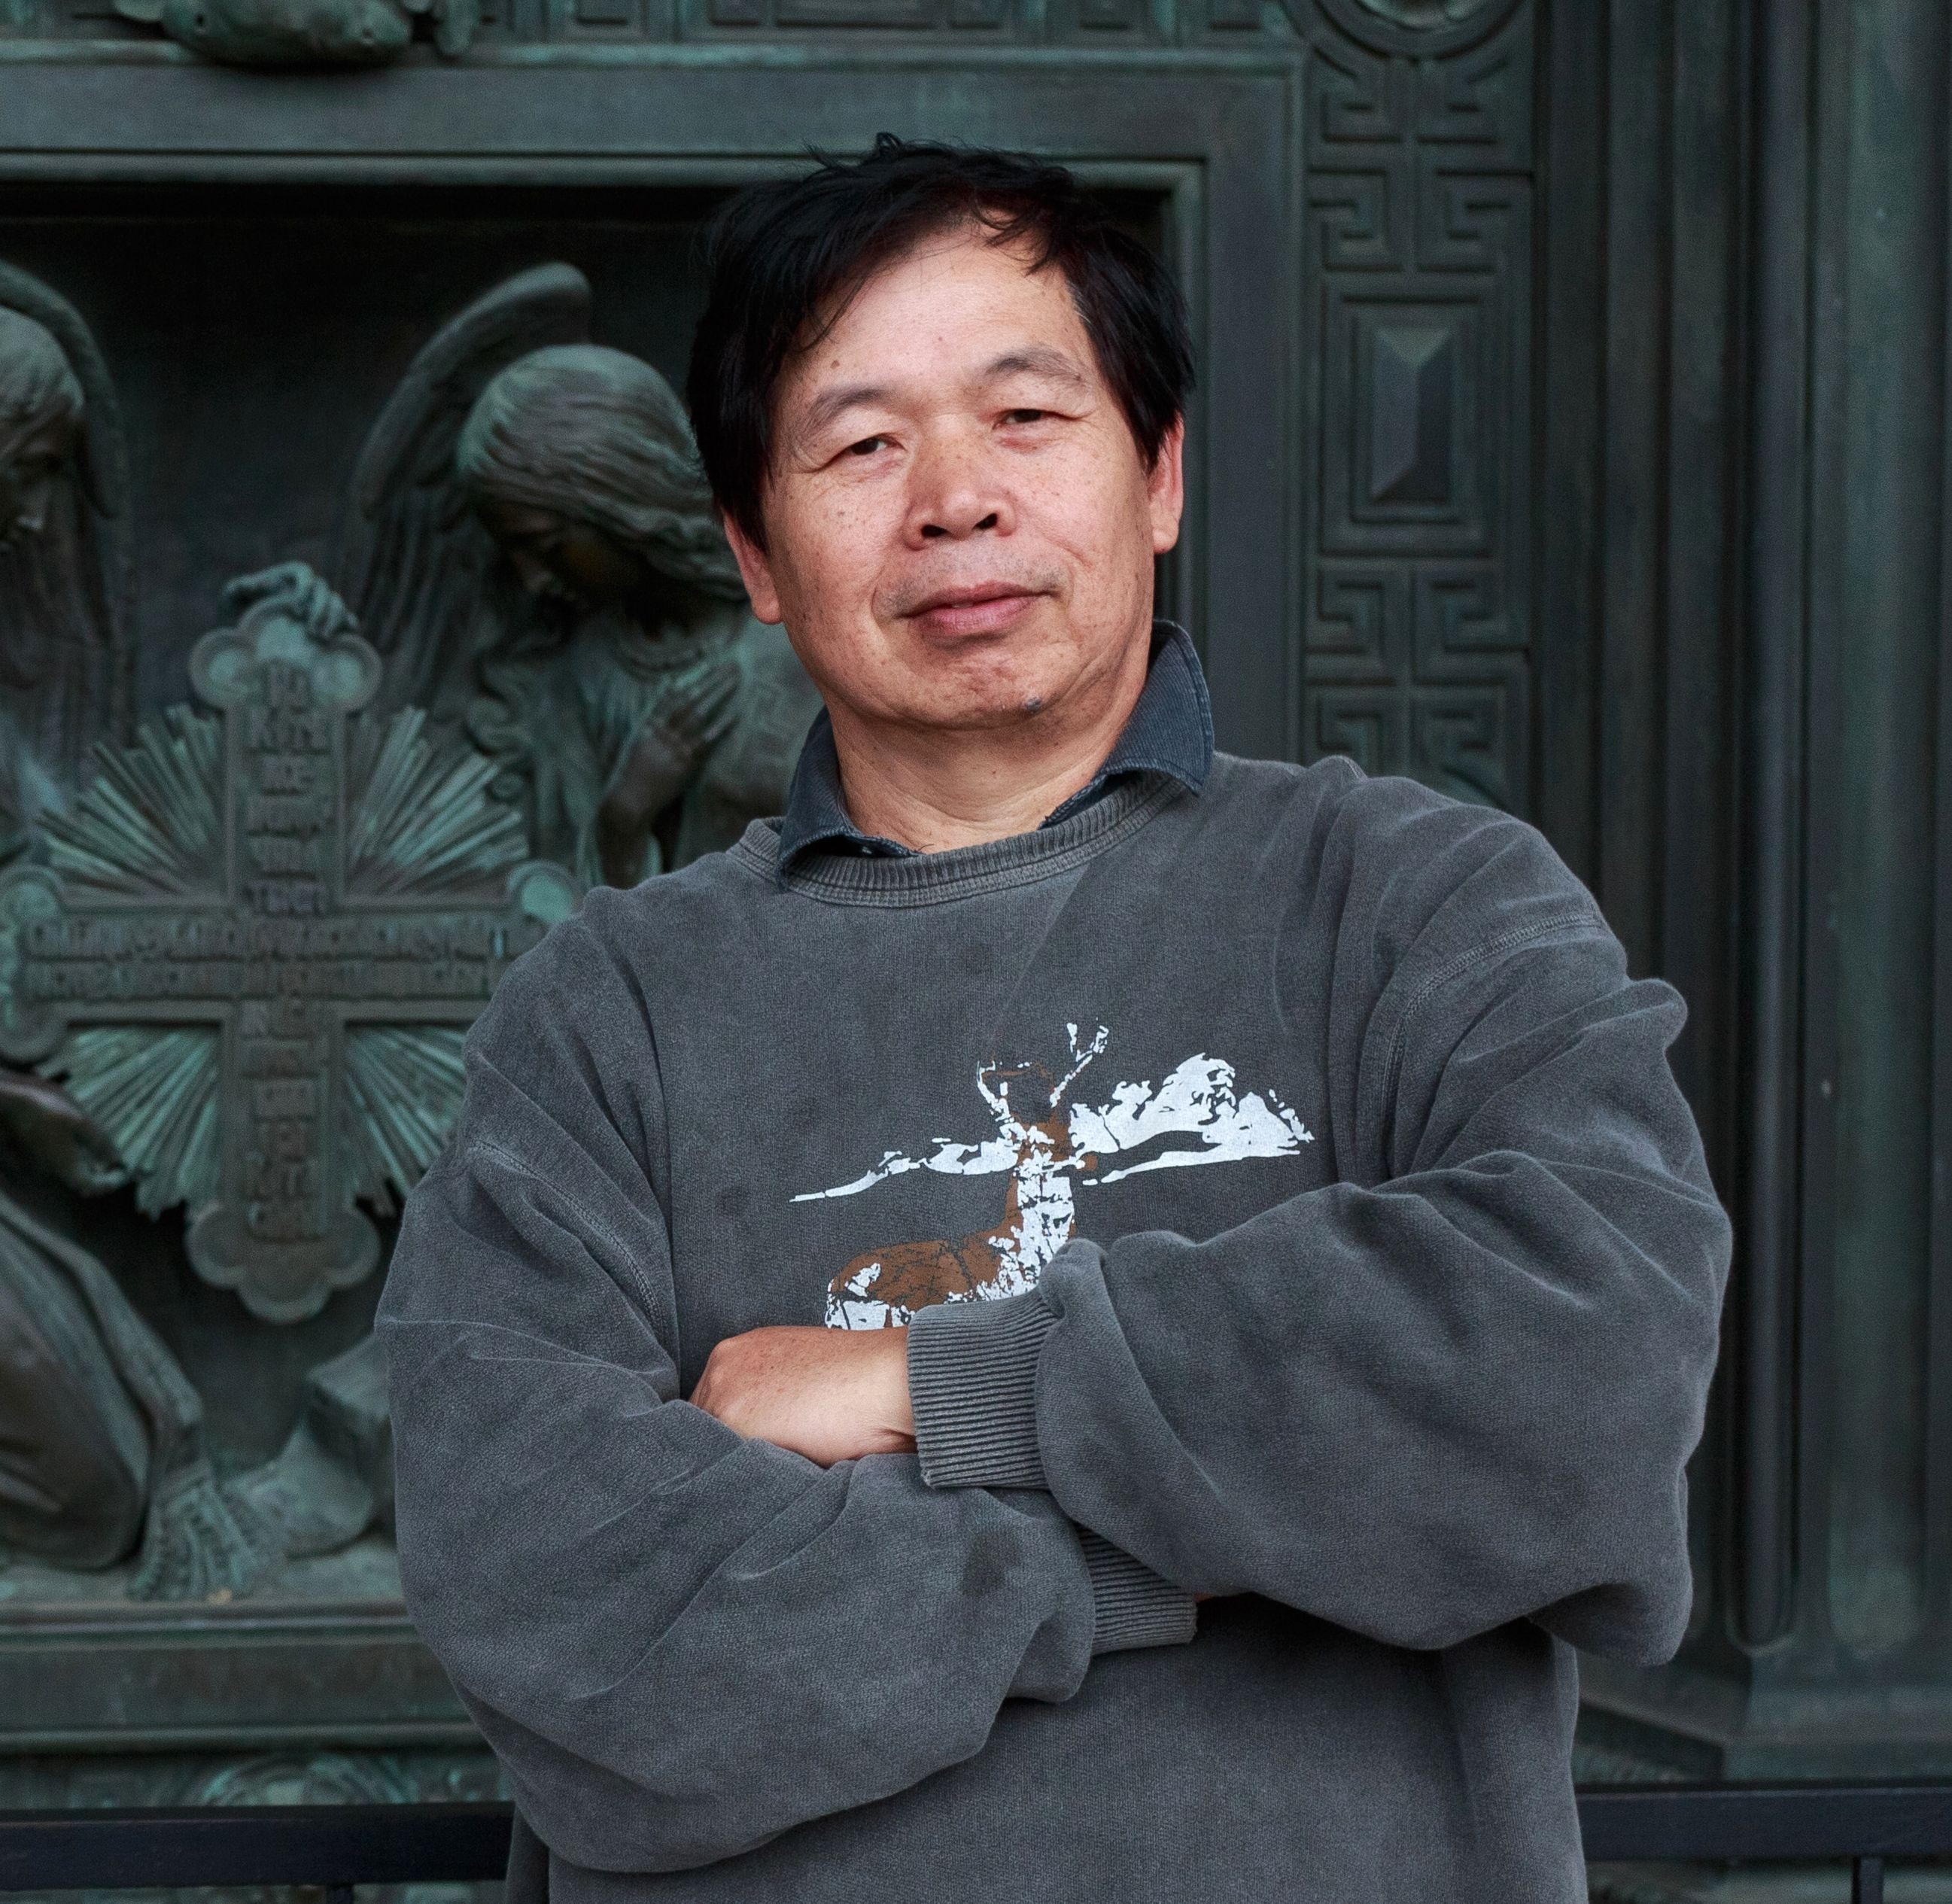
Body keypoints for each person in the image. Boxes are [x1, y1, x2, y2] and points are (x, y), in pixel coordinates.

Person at [376, 135, 1732, 1903]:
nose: (954, 499)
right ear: (753, 553)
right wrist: (1212, 1546)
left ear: (1158, 474)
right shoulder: (604, 1011)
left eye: (1024, 417)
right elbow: (566, 1604)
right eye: (861, 445)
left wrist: (934, 1386)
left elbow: (1580, 1378)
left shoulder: (1412, 899)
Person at [453, 343, 822, 890]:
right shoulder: (584, 682)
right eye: (516, 557)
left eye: (547, 546)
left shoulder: (806, 627)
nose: (533, 580)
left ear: (618, 504)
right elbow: (560, 903)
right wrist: (625, 813)